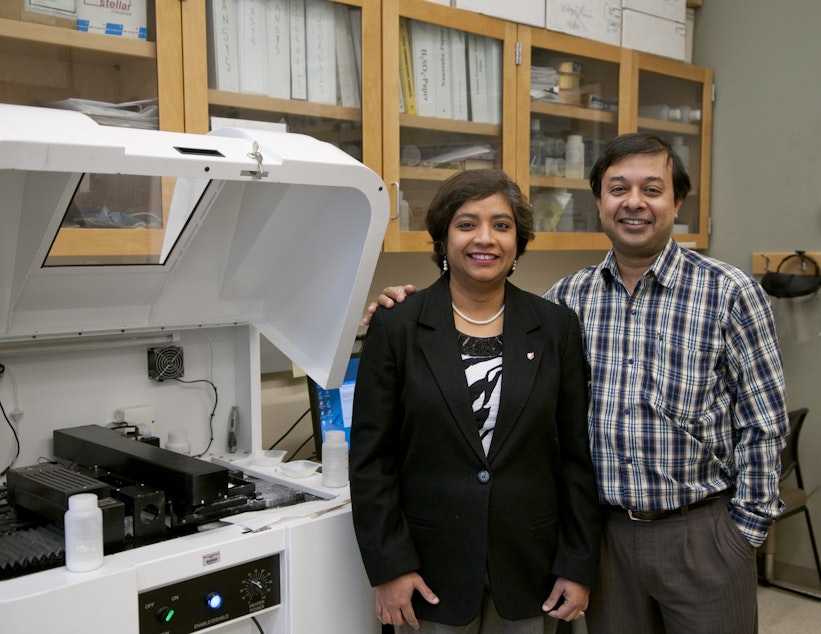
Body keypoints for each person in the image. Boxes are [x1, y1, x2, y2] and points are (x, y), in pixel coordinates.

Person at [368, 133, 790, 633]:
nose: (634, 203)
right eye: (618, 189)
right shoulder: (569, 300)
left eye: (652, 189)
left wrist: (745, 531)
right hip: (607, 537)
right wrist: (405, 309)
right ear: (599, 202)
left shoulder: (729, 291)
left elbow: (765, 423)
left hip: (700, 533)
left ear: (677, 200)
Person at [350, 168, 601, 633]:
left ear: (517, 241)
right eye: (467, 224)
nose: (484, 238)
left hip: (533, 569)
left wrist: (578, 562)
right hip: (427, 571)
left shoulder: (555, 327)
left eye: (501, 225)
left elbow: (575, 459)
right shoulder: (398, 325)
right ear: (443, 237)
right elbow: (371, 460)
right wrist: (389, 566)